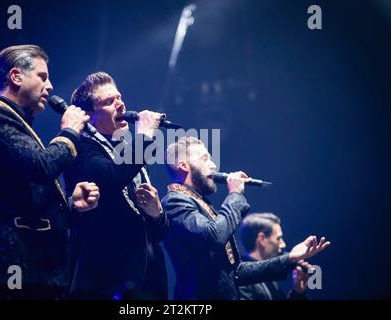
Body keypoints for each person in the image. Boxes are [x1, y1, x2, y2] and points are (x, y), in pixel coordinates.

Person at [0, 45, 100, 299]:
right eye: (43, 77)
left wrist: (70, 204)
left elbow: (25, 196)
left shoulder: (16, 121)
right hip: (10, 268)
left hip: (32, 268)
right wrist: (69, 132)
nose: (49, 87)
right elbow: (42, 167)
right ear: (16, 77)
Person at [162, 136, 330, 299]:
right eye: (205, 159)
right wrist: (235, 194)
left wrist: (289, 258)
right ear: (184, 166)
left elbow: (236, 272)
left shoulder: (201, 203)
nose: (213, 165)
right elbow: (214, 236)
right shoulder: (175, 202)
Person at [64, 72, 168, 299]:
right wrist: (145, 137)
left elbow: (159, 234)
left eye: (119, 97)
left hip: (145, 281)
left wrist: (156, 214)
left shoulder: (127, 151)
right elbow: (109, 178)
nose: (120, 104)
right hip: (103, 280)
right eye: (109, 101)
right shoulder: (81, 147)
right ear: (89, 115)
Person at [238, 213, 313, 300]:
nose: (283, 244)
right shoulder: (242, 277)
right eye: (278, 238)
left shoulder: (267, 274)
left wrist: (298, 293)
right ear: (262, 239)